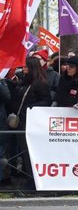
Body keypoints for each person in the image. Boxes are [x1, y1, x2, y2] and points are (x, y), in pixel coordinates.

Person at [11, 57, 52, 189]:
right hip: (20, 121)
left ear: (32, 68)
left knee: (29, 153)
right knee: (23, 152)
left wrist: (30, 108)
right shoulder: (23, 82)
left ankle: (32, 181)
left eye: (26, 67)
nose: (24, 69)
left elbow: (46, 101)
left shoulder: (40, 83)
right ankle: (28, 178)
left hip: (30, 122)